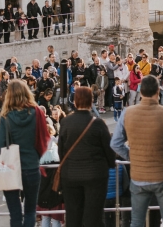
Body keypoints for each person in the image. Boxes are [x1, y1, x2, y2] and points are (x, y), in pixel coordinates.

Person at [110, 75, 163, 227]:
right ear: (158, 91)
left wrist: (131, 156)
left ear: (140, 91)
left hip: (139, 175)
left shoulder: (128, 113)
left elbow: (116, 143)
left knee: (137, 221)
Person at [59, 87, 115, 227]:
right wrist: (110, 164)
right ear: (91, 102)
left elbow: (61, 151)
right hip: (95, 175)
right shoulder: (98, 124)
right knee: (93, 217)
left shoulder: (65, 122)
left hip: (70, 174)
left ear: (75, 101)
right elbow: (109, 151)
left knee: (73, 217)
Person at [0, 81, 44, 227]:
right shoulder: (36, 112)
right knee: (30, 211)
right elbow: (43, 139)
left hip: (11, 167)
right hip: (31, 166)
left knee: (15, 214)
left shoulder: (5, 117)